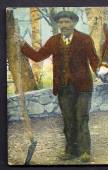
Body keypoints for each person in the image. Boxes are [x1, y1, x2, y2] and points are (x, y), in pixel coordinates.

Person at [14, 11, 100, 161]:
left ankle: (85, 151)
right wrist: (22, 44)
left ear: (74, 23)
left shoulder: (85, 39)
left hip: (83, 88)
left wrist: (102, 73)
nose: (64, 25)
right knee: (68, 120)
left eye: (67, 22)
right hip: (63, 88)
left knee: (82, 118)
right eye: (61, 22)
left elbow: (94, 61)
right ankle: (71, 151)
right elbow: (38, 56)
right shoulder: (53, 41)